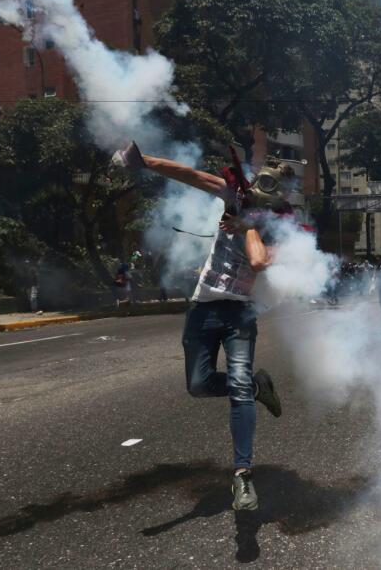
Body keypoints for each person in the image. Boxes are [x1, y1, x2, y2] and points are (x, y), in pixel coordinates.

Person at [114, 140, 285, 512]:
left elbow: (257, 262)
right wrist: (144, 160)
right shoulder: (232, 195)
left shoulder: (280, 229)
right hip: (203, 307)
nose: (257, 195)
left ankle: (242, 474)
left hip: (241, 313)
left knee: (237, 385)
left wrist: (247, 225)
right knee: (198, 384)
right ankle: (259, 385)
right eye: (258, 186)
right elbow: (190, 175)